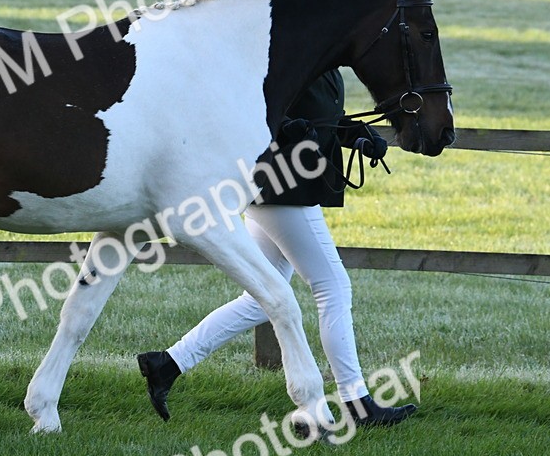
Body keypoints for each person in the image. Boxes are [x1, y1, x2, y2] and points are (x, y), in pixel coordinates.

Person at [137, 69, 417, 428]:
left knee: (259, 299)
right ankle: (357, 403)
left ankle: (166, 364)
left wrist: (360, 137)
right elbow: (251, 106)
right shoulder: (284, 54)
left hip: (286, 189)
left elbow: (324, 117)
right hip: (283, 190)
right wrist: (285, 127)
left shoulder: (323, 61)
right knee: (333, 287)